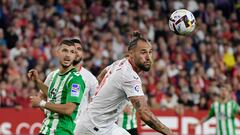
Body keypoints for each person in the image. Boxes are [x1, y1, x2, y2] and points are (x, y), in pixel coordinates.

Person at [77, 31, 174, 135]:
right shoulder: (129, 76)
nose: (148, 57)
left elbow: (101, 76)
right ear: (131, 54)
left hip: (102, 124)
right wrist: (169, 133)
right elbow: (144, 114)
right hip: (95, 127)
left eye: (150, 52)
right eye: (143, 52)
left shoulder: (121, 62)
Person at [28, 39, 85, 135]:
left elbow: (69, 109)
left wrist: (41, 103)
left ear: (75, 56)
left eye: (72, 52)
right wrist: (37, 81)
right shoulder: (54, 74)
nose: (68, 55)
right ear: (57, 53)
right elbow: (53, 94)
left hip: (61, 131)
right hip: (46, 129)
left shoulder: (76, 80)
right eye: (65, 50)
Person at [70, 38, 99, 134]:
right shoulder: (55, 75)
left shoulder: (90, 78)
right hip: (61, 126)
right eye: (73, 50)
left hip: (81, 128)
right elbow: (45, 97)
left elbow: (97, 102)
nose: (77, 52)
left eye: (79, 49)